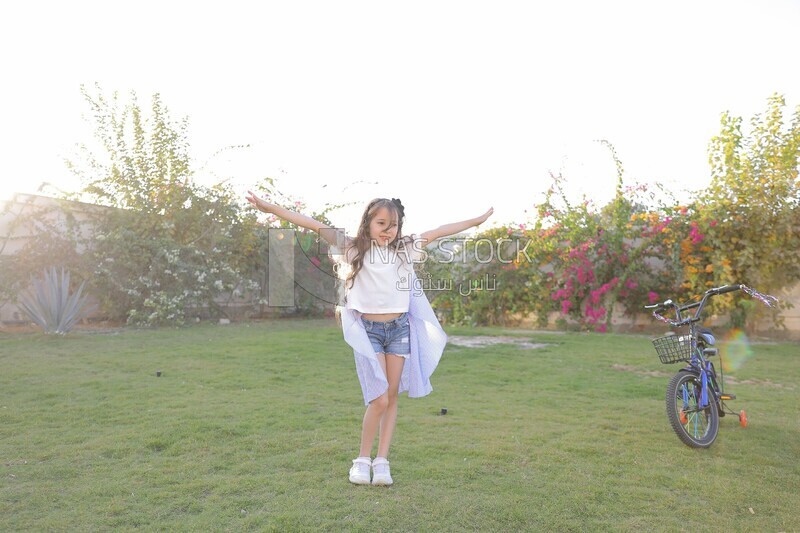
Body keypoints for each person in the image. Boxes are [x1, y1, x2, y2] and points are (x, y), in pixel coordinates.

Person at [246, 191, 493, 486]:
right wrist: (269, 207)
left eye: (394, 225)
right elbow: (311, 223)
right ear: (368, 223)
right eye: (382, 223)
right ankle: (362, 460)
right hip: (370, 332)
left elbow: (440, 231)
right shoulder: (351, 248)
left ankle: (383, 461)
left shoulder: (404, 250)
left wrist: (477, 222)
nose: (389, 231)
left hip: (399, 330)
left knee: (391, 397)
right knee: (378, 398)